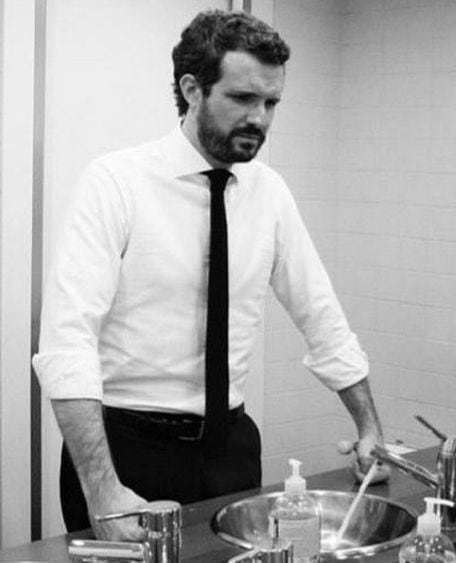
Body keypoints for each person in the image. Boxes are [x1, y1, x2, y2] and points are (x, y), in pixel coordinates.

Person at [32, 9, 387, 541]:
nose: (260, 120)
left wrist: (369, 429)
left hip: (231, 449)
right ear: (192, 89)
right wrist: (102, 488)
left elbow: (322, 317)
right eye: (243, 99)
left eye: (271, 103)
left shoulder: (269, 193)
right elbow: (67, 344)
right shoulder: (115, 184)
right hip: (129, 450)